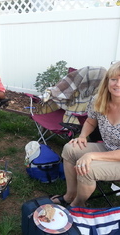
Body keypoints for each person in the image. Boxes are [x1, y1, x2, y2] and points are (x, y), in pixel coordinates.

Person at [51, 61, 120, 207]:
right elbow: (90, 121)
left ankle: (76, 206)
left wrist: (92, 155)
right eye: (114, 79)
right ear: (107, 81)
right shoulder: (99, 100)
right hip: (109, 148)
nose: (117, 84)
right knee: (70, 149)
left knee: (87, 169)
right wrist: (82, 136)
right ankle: (70, 195)